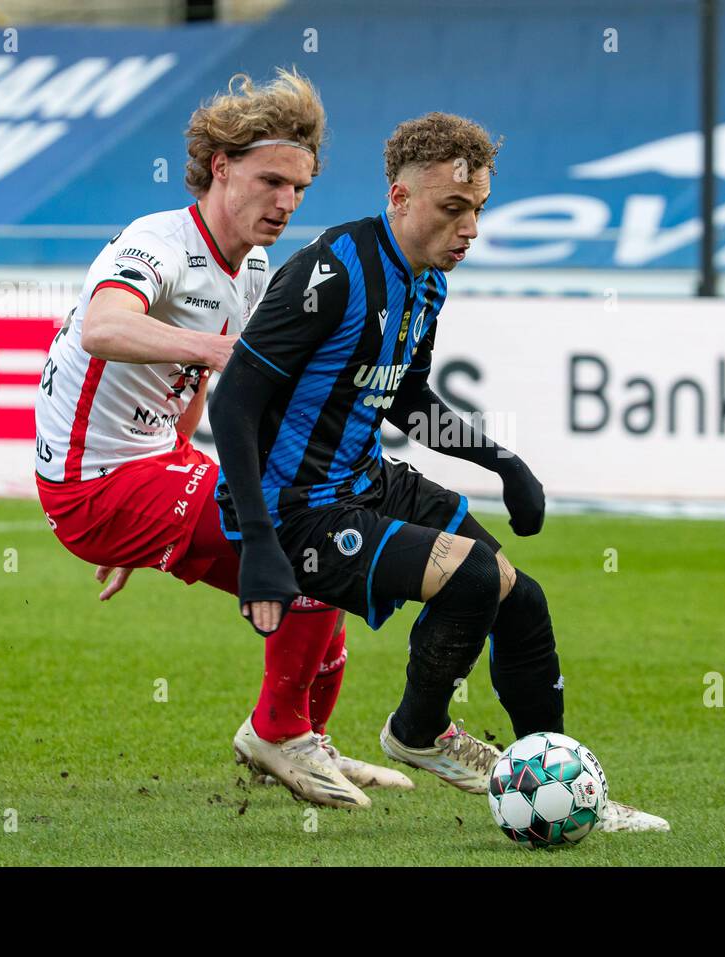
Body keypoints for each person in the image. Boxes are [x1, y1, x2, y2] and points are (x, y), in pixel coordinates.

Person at [210, 112, 668, 831]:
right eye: (452, 208)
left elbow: (409, 399)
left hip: (363, 480)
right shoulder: (332, 272)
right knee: (474, 576)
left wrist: (502, 461)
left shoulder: (424, 284)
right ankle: (419, 731)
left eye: (478, 210)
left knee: (523, 598)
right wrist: (263, 544)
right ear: (399, 198)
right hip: (296, 507)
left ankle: (567, 785)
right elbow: (233, 398)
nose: (470, 229)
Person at [33, 69, 408, 811]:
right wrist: (216, 353)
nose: (287, 203)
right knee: (306, 543)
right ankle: (277, 731)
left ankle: (307, 736)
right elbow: (104, 327)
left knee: (318, 536)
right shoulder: (159, 241)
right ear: (221, 167)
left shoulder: (256, 267)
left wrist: (166, 487)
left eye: (299, 188)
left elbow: (200, 386)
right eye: (272, 181)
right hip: (94, 482)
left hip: (147, 471)